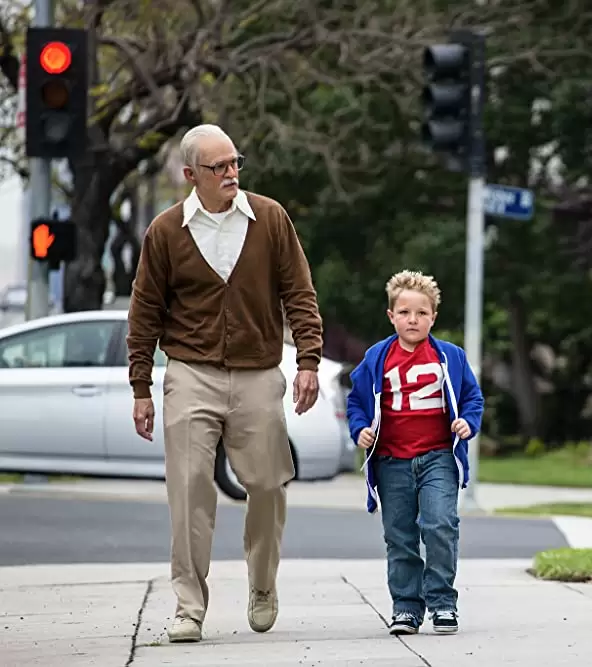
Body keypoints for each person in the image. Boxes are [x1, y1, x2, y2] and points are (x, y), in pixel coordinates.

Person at [126, 124, 324, 644]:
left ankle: (262, 584)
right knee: (189, 488)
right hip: (191, 372)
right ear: (191, 175)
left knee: (268, 484)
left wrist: (308, 359)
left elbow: (299, 292)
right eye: (219, 167)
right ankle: (189, 607)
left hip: (258, 372)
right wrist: (141, 386)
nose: (232, 173)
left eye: (236, 162)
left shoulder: (270, 218)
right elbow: (144, 313)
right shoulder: (166, 231)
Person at [346, 270, 484, 636]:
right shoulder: (377, 357)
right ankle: (406, 607)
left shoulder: (449, 357)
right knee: (400, 536)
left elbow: (472, 397)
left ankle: (442, 602)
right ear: (391, 315)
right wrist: (360, 429)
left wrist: (467, 422)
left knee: (440, 525)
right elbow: (356, 401)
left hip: (438, 457)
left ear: (433, 317)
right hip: (391, 461)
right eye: (405, 312)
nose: (413, 319)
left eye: (421, 313)